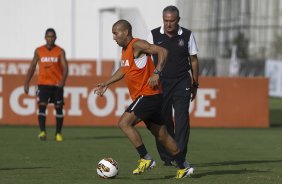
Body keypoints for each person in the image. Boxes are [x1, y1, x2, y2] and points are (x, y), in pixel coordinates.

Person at [94, 19, 194, 179]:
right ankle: (184, 166)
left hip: (148, 95)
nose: (113, 37)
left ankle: (145, 158)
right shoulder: (126, 49)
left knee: (124, 123)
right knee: (162, 134)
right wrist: (107, 83)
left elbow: (163, 51)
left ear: (125, 32)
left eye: (115, 33)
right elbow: (124, 69)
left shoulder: (136, 44)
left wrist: (157, 72)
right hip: (149, 97)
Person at [147, 6, 199, 166]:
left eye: (172, 21)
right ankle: (167, 156)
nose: (168, 24)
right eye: (166, 20)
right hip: (161, 83)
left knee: (182, 119)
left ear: (178, 20)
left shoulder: (188, 35)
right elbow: (146, 59)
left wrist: (195, 83)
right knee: (162, 120)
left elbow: (194, 60)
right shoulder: (153, 34)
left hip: (182, 81)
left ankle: (180, 156)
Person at [24, 28, 69, 142]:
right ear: (45, 37)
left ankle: (58, 133)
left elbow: (65, 68)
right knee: (42, 106)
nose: (50, 38)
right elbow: (32, 67)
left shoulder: (60, 51)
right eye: (48, 36)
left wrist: (63, 81)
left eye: (52, 36)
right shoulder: (39, 51)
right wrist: (26, 83)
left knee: (58, 108)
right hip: (43, 84)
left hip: (56, 85)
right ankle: (42, 132)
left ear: (55, 38)